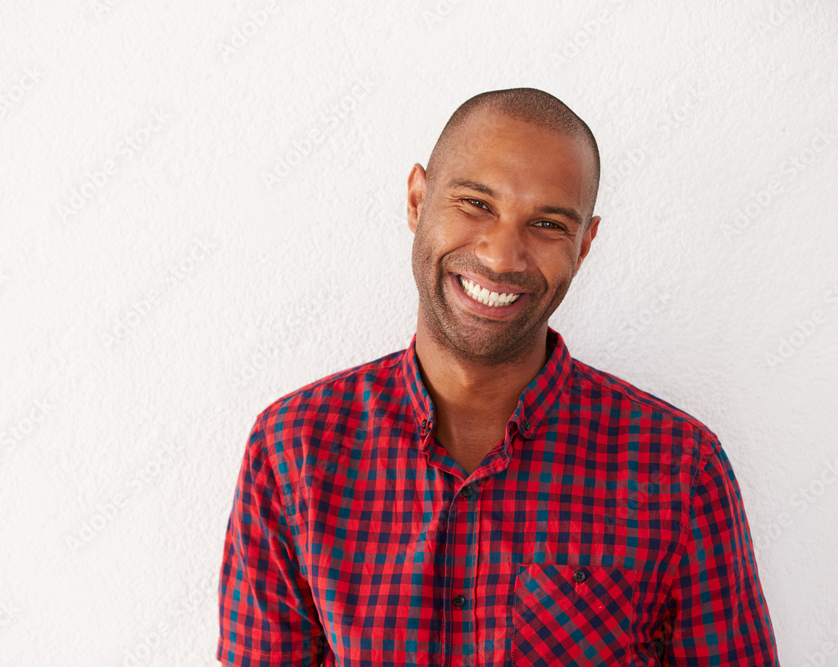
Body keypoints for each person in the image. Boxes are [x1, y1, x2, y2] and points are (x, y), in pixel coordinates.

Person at [217, 87, 779, 666]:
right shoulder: (292, 449)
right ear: (417, 200)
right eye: (477, 204)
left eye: (547, 224)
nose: (503, 255)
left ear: (584, 246)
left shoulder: (679, 467)